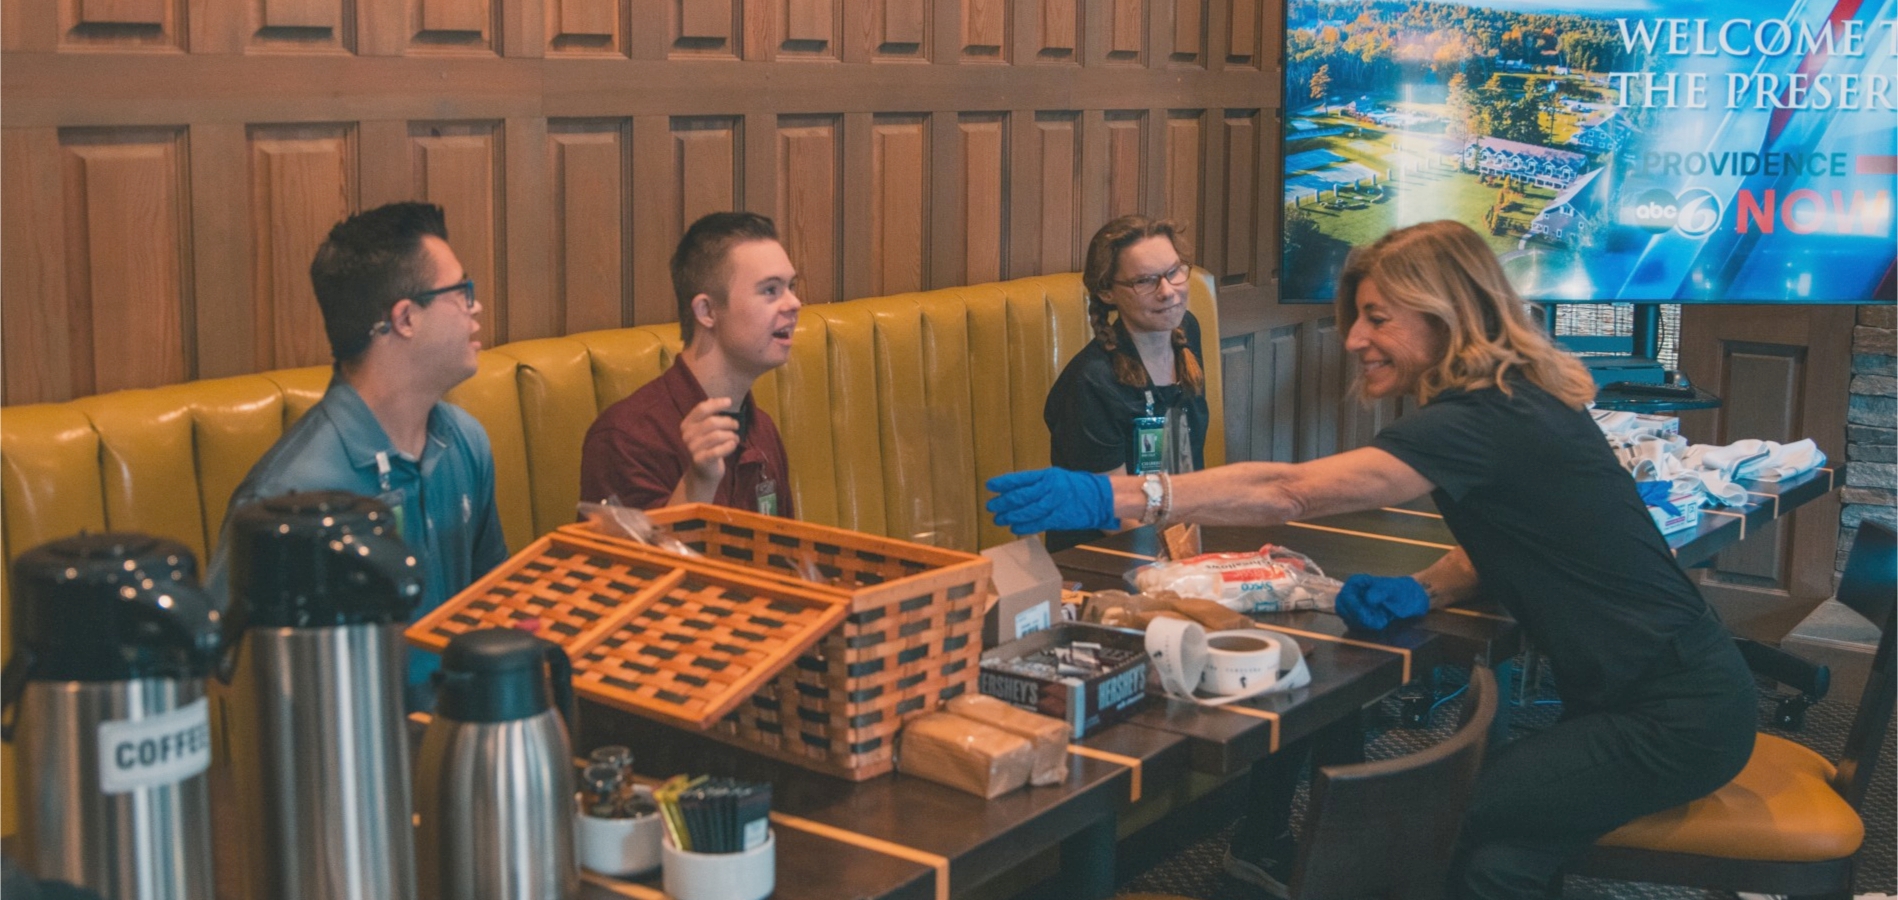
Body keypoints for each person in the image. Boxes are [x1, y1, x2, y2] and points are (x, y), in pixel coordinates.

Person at [986, 220, 1756, 899]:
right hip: (1655, 697)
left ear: (1448, 316)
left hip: (1671, 719)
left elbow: (1290, 491)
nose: (1354, 339)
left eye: (1377, 318)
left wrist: (1115, 498)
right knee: (1494, 865)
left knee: (1423, 817)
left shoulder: (1483, 416)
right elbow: (1506, 539)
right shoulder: (1512, 397)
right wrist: (1425, 590)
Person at [207, 201, 508, 710]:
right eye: (462, 293)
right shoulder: (287, 496)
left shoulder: (465, 443)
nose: (475, 307)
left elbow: (492, 601)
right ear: (405, 317)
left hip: (460, 740)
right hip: (344, 759)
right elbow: (223, 659)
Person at [579, 211, 799, 516]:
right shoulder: (626, 438)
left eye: (792, 287)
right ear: (707, 311)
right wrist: (699, 481)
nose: (794, 304)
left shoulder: (762, 431)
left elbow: (784, 557)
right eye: (770, 290)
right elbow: (638, 563)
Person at [1042, 215, 1209, 551]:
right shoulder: (1090, 382)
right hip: (1104, 558)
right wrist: (1181, 564)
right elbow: (1115, 513)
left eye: (1174, 271)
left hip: (1175, 544)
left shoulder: (1185, 330)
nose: (1167, 292)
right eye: (1145, 281)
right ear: (1107, 291)